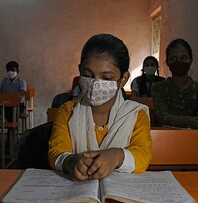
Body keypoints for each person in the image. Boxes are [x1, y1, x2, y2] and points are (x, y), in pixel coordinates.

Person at [48, 34, 152, 181]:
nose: (95, 84)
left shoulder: (135, 114)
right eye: (87, 75)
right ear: (80, 71)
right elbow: (56, 151)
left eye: (107, 78)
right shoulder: (67, 111)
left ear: (123, 79)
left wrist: (116, 156)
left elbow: (143, 155)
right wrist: (70, 161)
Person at [151, 38, 198, 129]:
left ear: (191, 60)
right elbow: (163, 117)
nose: (179, 62)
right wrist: (188, 121)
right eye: (173, 58)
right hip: (164, 138)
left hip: (194, 139)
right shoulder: (158, 88)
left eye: (183, 58)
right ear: (167, 62)